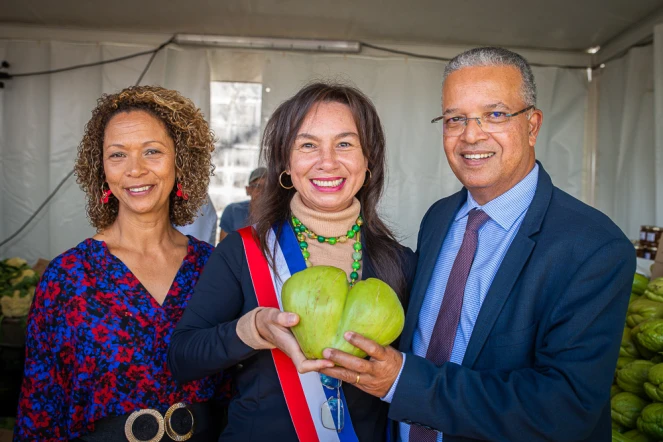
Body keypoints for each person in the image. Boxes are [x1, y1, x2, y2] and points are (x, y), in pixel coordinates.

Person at [318, 47, 635, 441]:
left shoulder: (594, 247)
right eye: (455, 119)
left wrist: (404, 382)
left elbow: (566, 407)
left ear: (533, 126)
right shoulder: (439, 218)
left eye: (495, 115)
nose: (471, 135)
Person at [168, 82, 417, 441]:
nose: (327, 161)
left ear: (369, 161)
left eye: (345, 144)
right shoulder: (244, 251)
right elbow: (183, 357)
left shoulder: (400, 263)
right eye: (307, 145)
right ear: (285, 163)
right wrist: (252, 329)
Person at [14, 85, 230, 441]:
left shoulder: (213, 267)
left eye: (152, 151)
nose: (135, 169)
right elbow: (40, 408)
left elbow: (239, 391)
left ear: (181, 160)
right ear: (101, 168)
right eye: (118, 155)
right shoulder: (68, 277)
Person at [217, 167, 266, 242]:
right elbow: (223, 249)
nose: (262, 191)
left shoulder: (278, 215)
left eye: (267, 187)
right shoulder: (232, 211)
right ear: (248, 189)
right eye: (257, 186)